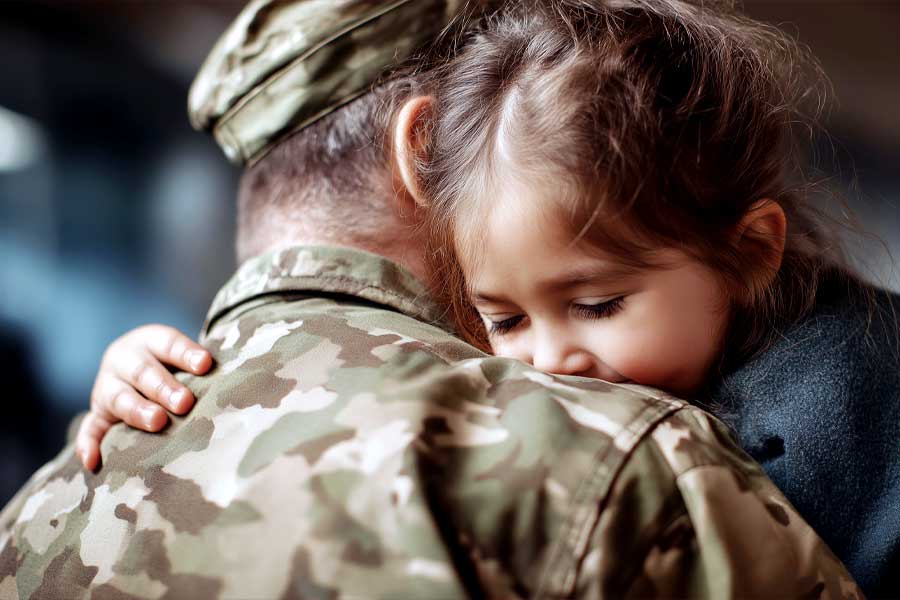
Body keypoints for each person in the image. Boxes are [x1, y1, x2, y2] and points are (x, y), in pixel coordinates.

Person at [0, 0, 862, 598]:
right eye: (506, 317)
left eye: (597, 302)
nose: (551, 362)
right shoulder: (626, 463)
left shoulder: (52, 497)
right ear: (424, 152)